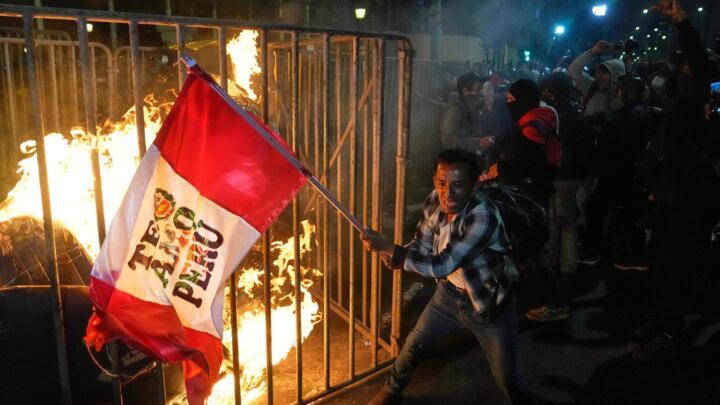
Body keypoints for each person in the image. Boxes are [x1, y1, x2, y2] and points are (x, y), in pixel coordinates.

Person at [361, 149, 533, 405]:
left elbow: (443, 264)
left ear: (474, 187)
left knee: (507, 377)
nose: (448, 194)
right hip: (449, 295)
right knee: (413, 345)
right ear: (434, 182)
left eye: (458, 185)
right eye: (442, 184)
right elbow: (422, 246)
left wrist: (391, 250)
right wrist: (395, 254)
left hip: (488, 302)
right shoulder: (434, 201)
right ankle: (391, 389)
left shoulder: (483, 215)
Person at [481, 79, 567, 322]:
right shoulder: (536, 118)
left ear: (524, 100)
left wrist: (500, 169)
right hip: (532, 194)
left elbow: (528, 165)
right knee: (527, 249)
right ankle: (546, 296)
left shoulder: (533, 125)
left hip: (531, 196)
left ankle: (555, 303)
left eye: (511, 101)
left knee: (531, 250)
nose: (508, 105)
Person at [440, 72, 497, 154]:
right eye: (478, 89)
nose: (482, 94)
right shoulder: (455, 111)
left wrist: (490, 111)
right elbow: (449, 143)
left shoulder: (476, 109)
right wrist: (478, 143)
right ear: (465, 91)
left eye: (482, 89)